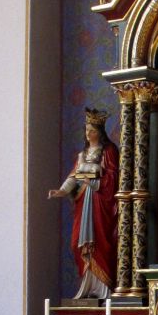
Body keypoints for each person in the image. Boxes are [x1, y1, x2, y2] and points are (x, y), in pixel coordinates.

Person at [49, 108, 119, 299]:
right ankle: (87, 285)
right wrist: (61, 191)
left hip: (100, 202)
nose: (89, 134)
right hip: (84, 201)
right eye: (87, 130)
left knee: (100, 241)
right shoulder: (83, 154)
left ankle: (104, 285)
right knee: (76, 243)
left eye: (93, 130)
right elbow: (74, 176)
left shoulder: (109, 151)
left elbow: (114, 177)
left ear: (100, 132)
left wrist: (95, 182)